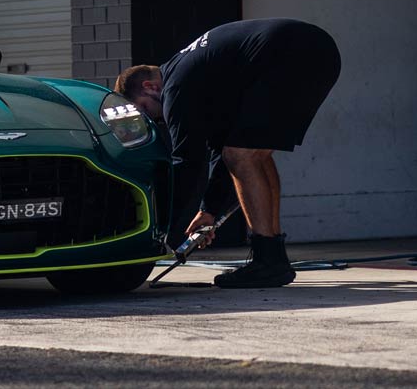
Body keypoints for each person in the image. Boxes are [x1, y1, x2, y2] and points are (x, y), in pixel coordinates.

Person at [116, 18, 341, 288]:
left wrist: (162, 228)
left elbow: (187, 161)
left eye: (145, 110)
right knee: (254, 154)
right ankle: (273, 257)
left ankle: (268, 261)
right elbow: (218, 150)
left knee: (243, 155)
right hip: (316, 49)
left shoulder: (175, 86)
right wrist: (208, 211)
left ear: (149, 87)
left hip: (290, 52)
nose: (156, 120)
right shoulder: (195, 73)